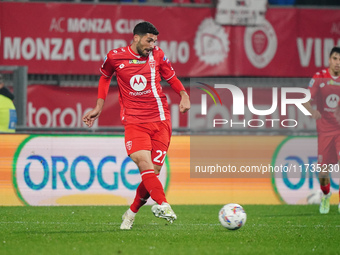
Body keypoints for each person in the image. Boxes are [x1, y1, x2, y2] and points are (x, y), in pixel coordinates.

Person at [82, 21, 190, 229]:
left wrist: (184, 95)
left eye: (155, 41)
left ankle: (131, 213)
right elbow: (105, 78)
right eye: (149, 40)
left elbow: (172, 77)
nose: (152, 45)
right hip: (134, 121)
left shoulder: (158, 55)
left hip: (160, 120)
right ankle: (163, 204)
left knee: (153, 171)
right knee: (143, 162)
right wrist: (98, 107)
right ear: (136, 38)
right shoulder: (114, 56)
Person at [303, 46, 340, 214]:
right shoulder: (319, 78)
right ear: (329, 60)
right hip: (325, 131)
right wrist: (313, 112)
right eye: (335, 59)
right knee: (323, 171)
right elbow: (305, 100)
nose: (338, 63)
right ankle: (326, 195)